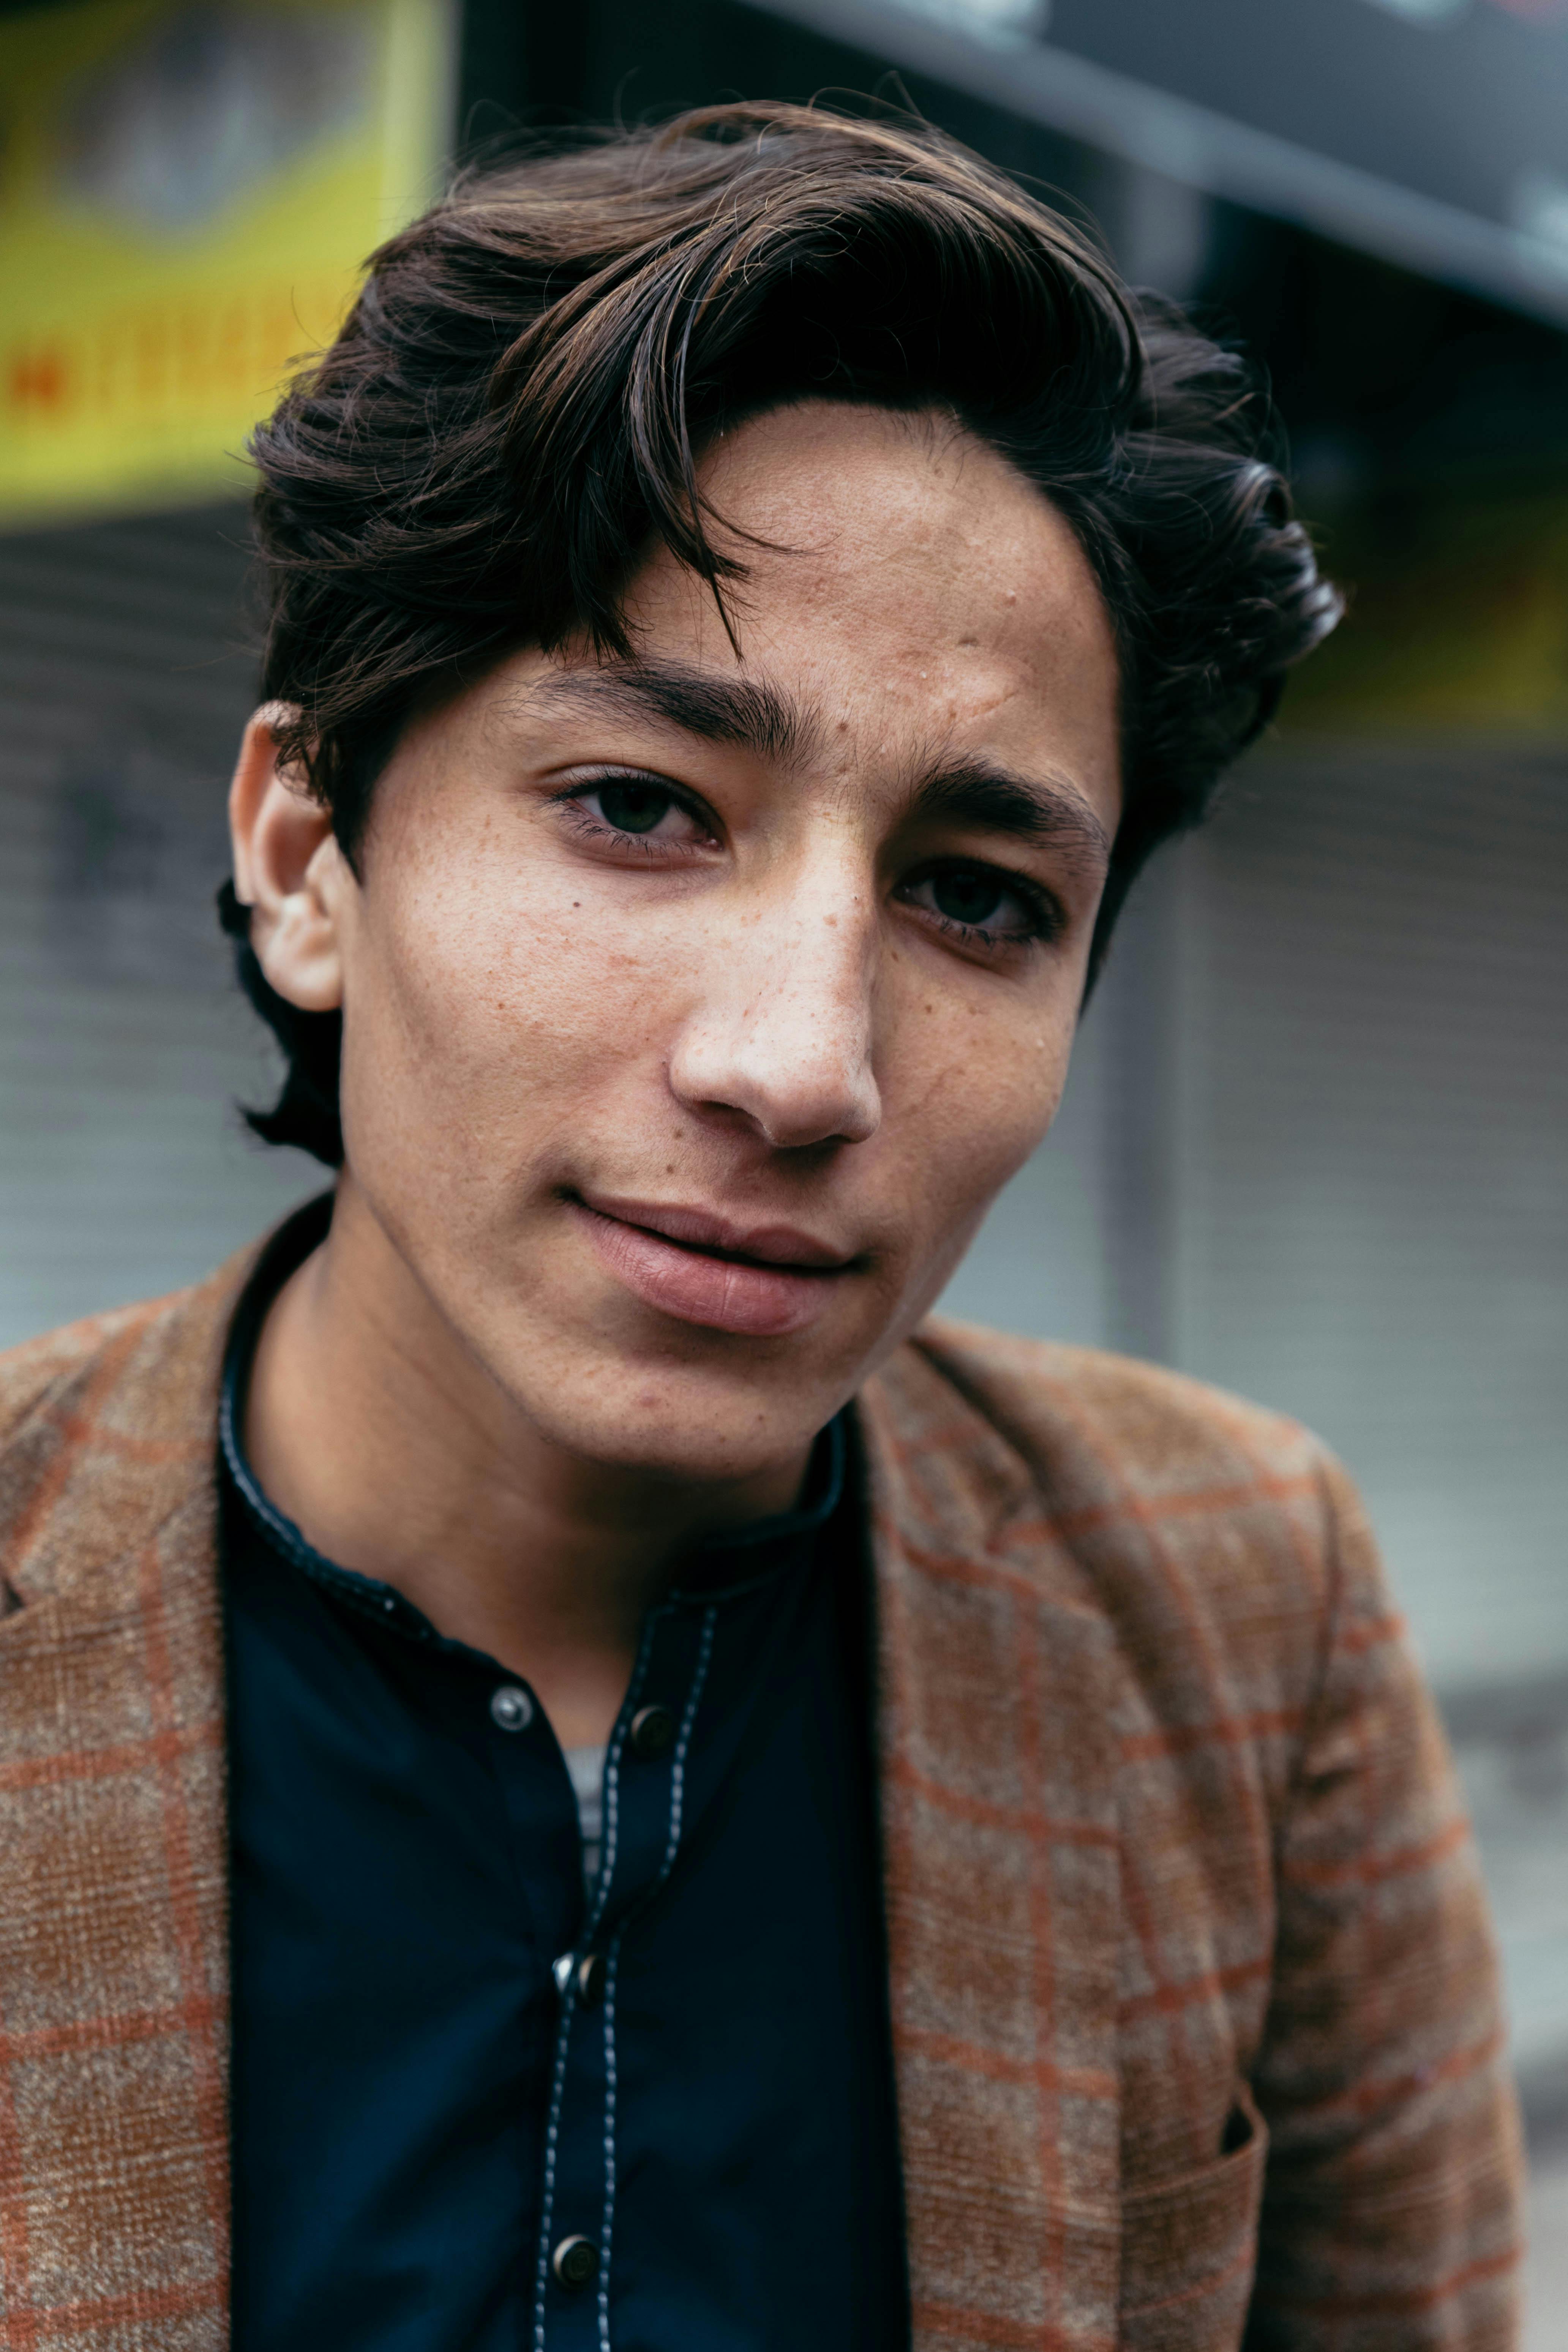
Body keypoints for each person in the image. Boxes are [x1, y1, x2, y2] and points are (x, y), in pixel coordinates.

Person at [0, 102, 1522, 2352]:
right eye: (639, 804)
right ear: (310, 849)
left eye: (974, 897)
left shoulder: (1233, 1606)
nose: (804, 1061)